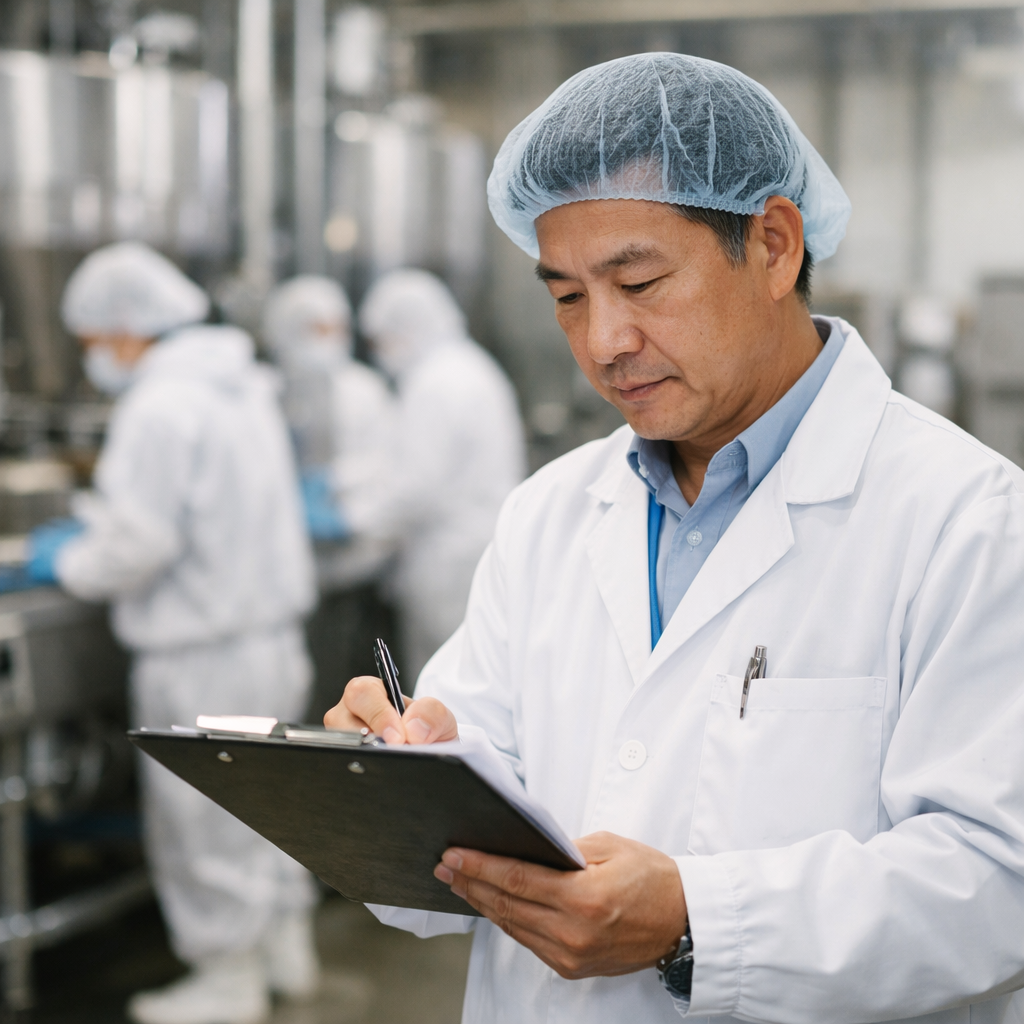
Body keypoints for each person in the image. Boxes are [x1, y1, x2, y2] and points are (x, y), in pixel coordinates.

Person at [325, 53, 1024, 1023]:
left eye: (640, 282)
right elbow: (476, 800)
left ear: (774, 245)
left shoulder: (966, 521)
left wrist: (696, 920)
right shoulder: (549, 514)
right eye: (567, 296)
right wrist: (402, 780)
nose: (602, 340)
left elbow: (997, 884)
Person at [34, 243, 321, 1024]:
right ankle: (283, 952)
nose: (95, 356)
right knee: (270, 805)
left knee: (204, 827)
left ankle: (228, 982)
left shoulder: (160, 405)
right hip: (267, 635)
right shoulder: (236, 385)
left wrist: (69, 563)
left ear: (126, 328)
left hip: (201, 654)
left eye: (93, 339)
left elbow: (141, 542)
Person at [358, 269, 526, 682]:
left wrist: (354, 522)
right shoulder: (470, 366)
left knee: (442, 687)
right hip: (477, 547)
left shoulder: (434, 382)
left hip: (449, 561)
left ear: (406, 328)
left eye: (384, 339)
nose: (384, 351)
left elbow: (417, 487)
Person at [262, 275, 397, 543]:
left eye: (338, 328)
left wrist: (336, 481)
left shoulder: (365, 390)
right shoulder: (264, 389)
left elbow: (387, 462)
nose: (330, 340)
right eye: (318, 329)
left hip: (356, 541)